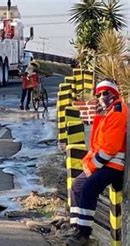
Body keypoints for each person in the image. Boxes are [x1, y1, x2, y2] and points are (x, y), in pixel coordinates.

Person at [66, 80, 127, 246]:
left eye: (105, 93)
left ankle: (84, 234)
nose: (102, 97)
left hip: (113, 166)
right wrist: (89, 163)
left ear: (114, 93)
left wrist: (91, 166)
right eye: (99, 94)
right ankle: (76, 228)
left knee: (88, 188)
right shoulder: (108, 111)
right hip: (105, 163)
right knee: (76, 187)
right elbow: (97, 143)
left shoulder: (117, 112)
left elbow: (109, 149)